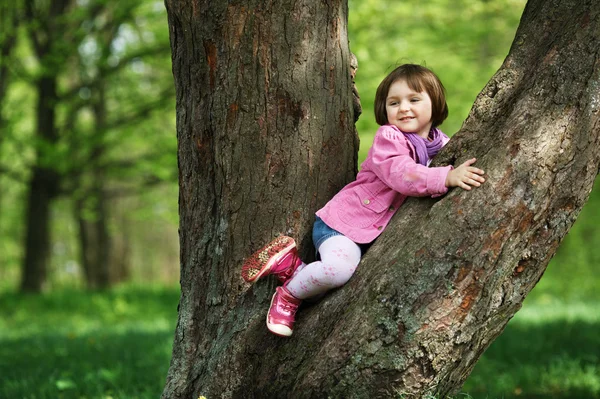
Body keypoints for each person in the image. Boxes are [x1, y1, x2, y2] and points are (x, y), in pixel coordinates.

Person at [241, 64, 486, 337]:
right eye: (394, 102)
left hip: (367, 234)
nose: (404, 108)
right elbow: (401, 174)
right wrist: (446, 178)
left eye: (414, 99)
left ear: (436, 103)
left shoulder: (442, 145)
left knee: (326, 289)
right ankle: (287, 296)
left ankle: (290, 266)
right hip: (343, 224)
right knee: (337, 271)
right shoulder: (389, 138)